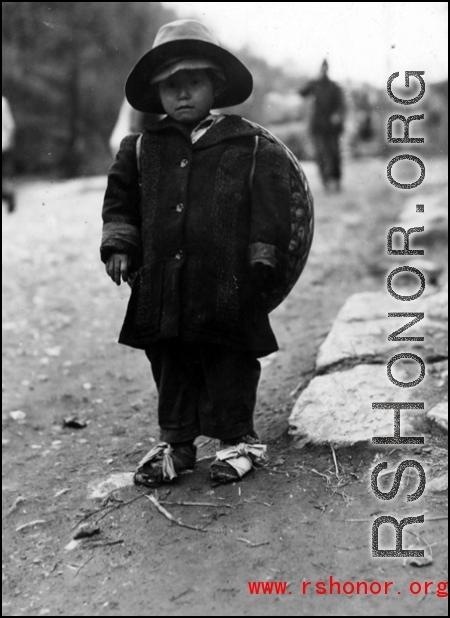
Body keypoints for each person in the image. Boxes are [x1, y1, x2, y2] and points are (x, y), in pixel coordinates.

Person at [100, 19, 310, 488]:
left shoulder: (249, 145)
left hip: (228, 283)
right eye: (171, 86)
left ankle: (238, 439)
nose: (182, 94)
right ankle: (177, 442)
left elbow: (272, 207)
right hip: (163, 285)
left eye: (193, 82)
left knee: (228, 360)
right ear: (157, 93)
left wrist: (263, 254)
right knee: (169, 359)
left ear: (215, 84)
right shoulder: (139, 149)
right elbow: (120, 204)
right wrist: (118, 245)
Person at [299, 59, 346, 190]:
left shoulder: (335, 87)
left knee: (335, 154)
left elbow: (341, 106)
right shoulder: (315, 84)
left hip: (332, 128)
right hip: (318, 127)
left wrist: (337, 115)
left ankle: (336, 181)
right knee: (320, 155)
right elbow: (302, 92)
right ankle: (325, 182)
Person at [2, 96, 16, 213]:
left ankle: (9, 195)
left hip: (4, 145)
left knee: (5, 174)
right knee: (5, 174)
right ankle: (9, 195)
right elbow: (11, 125)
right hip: (4, 144)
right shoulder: (3, 101)